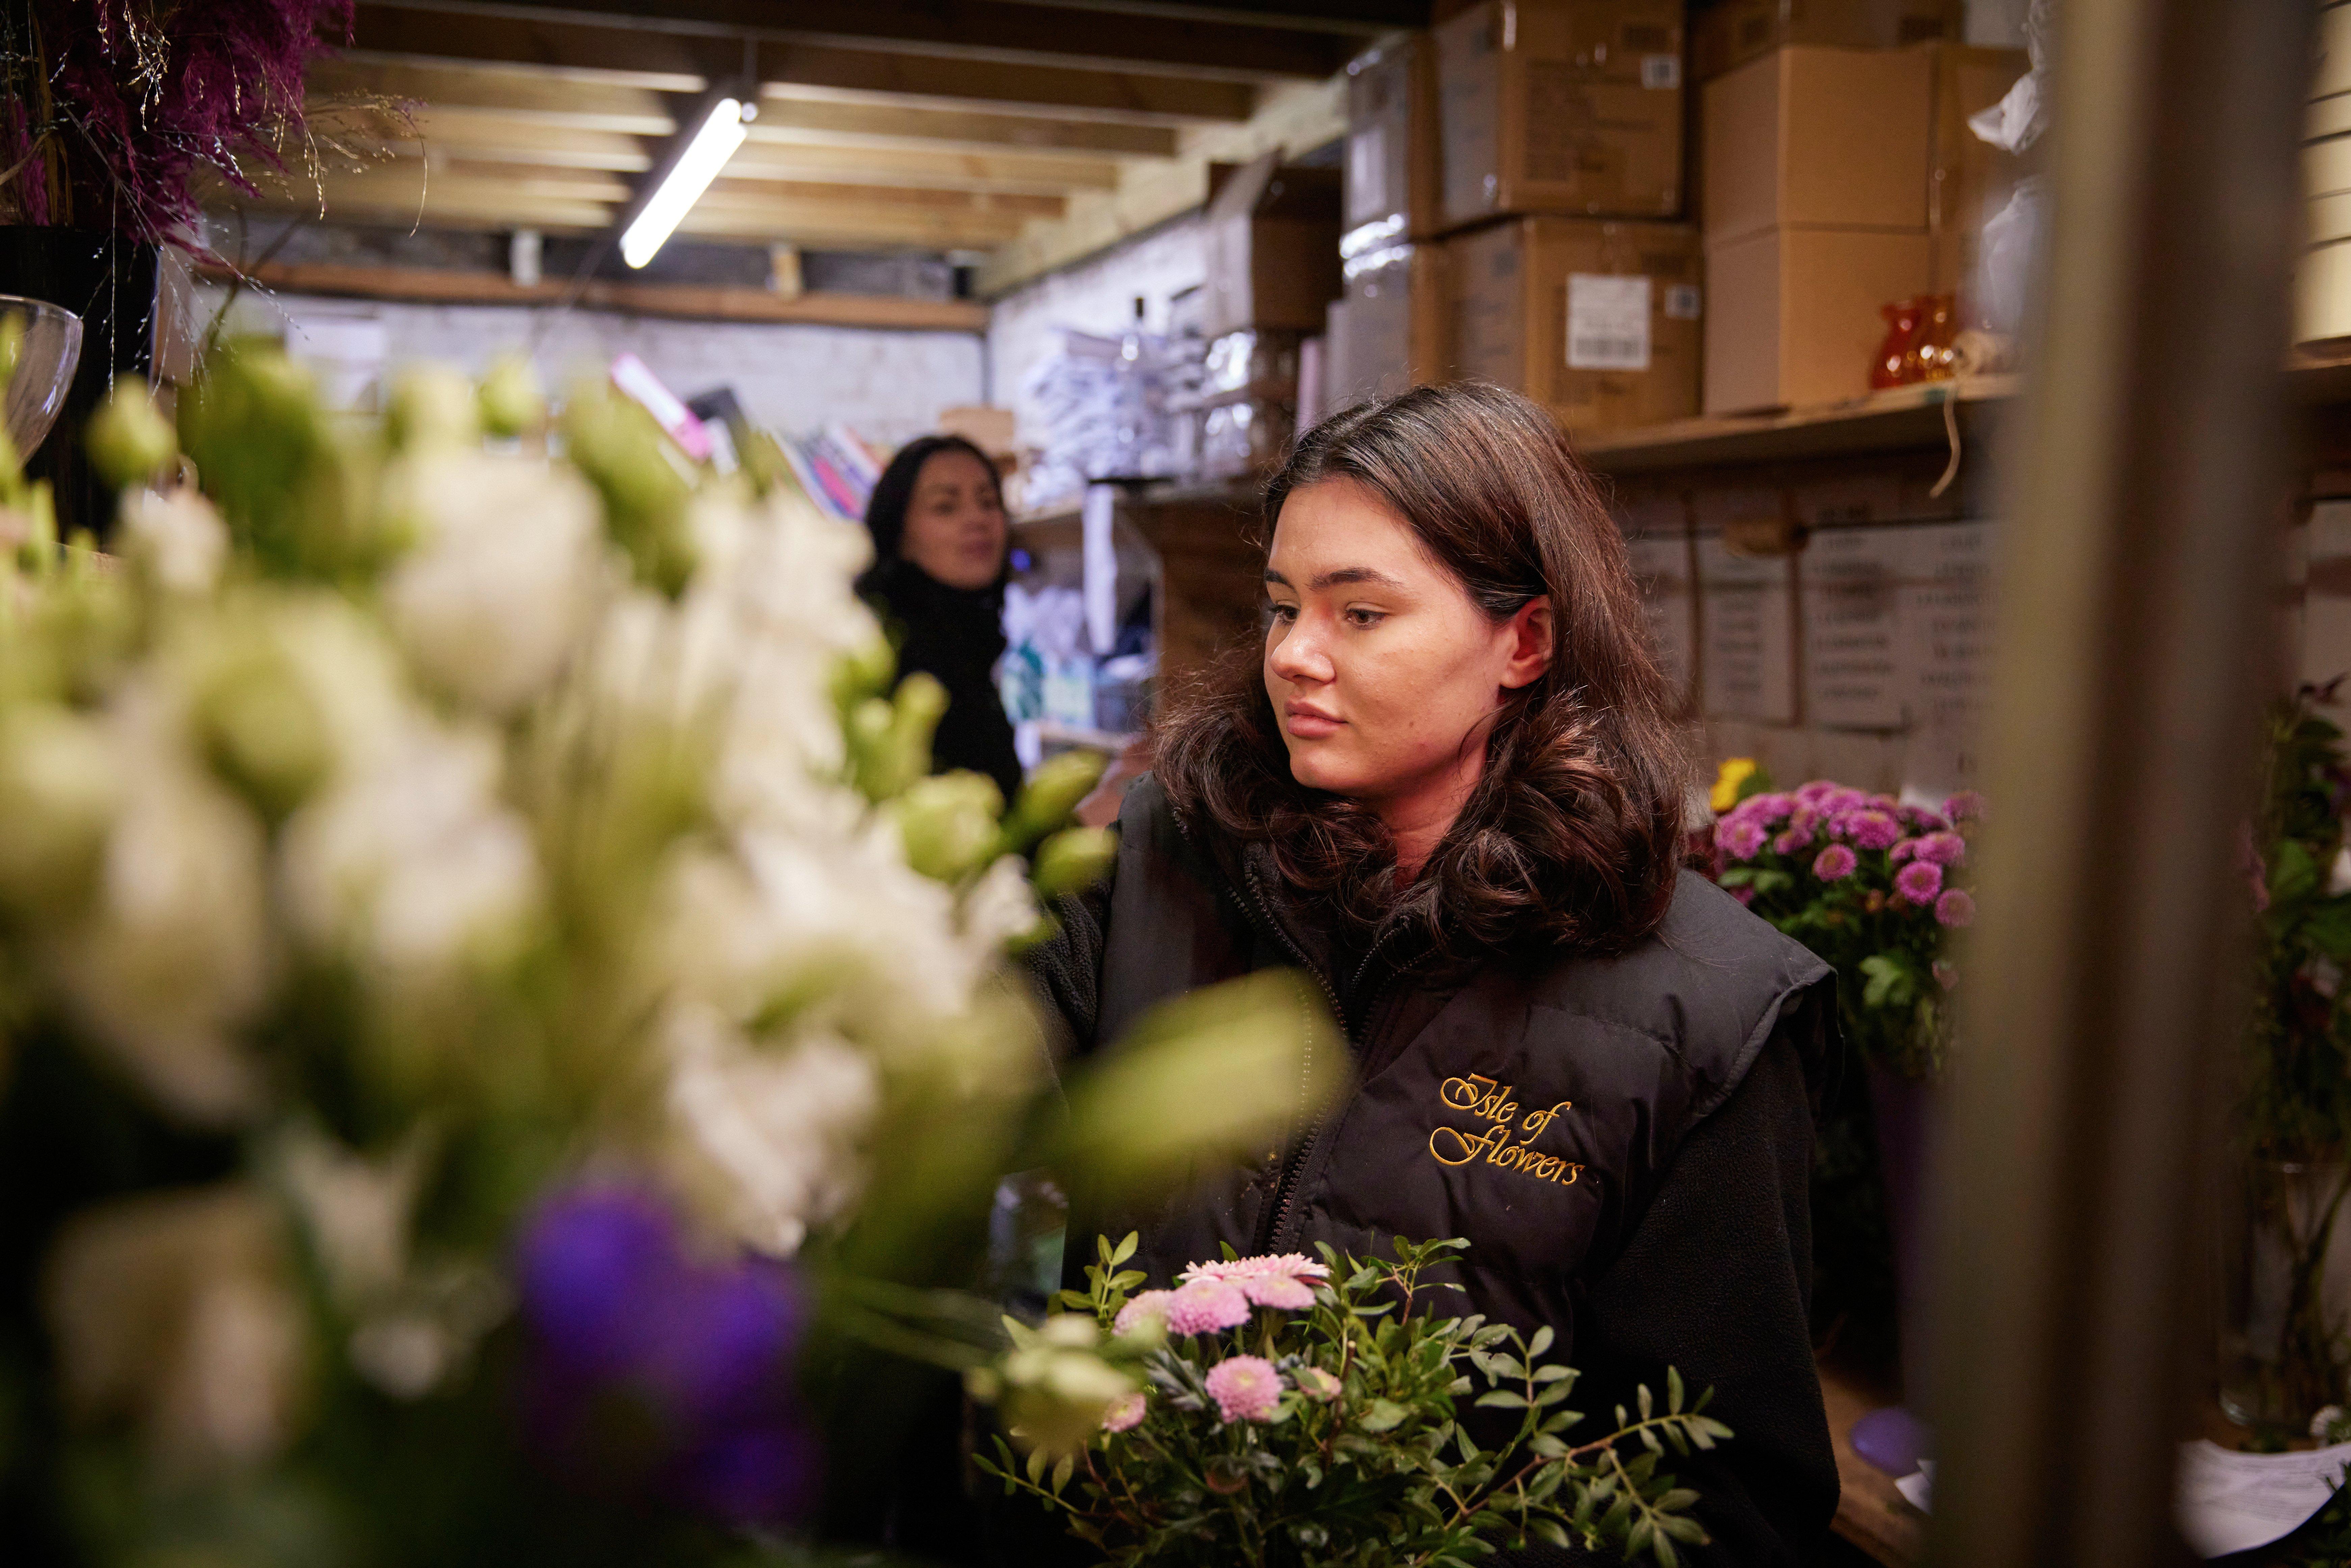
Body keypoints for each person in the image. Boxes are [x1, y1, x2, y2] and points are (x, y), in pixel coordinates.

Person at [1025, 384, 1839, 1565]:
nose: (1295, 655)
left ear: (1525, 640)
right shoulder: (1159, 871)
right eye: (1281, 606)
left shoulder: (1699, 1014)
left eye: (1361, 613)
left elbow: (1725, 1512)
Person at [858, 434, 1023, 801]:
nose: (978, 520)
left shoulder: (971, 638)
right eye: (946, 507)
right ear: (898, 531)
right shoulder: (895, 651)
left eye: (989, 502)